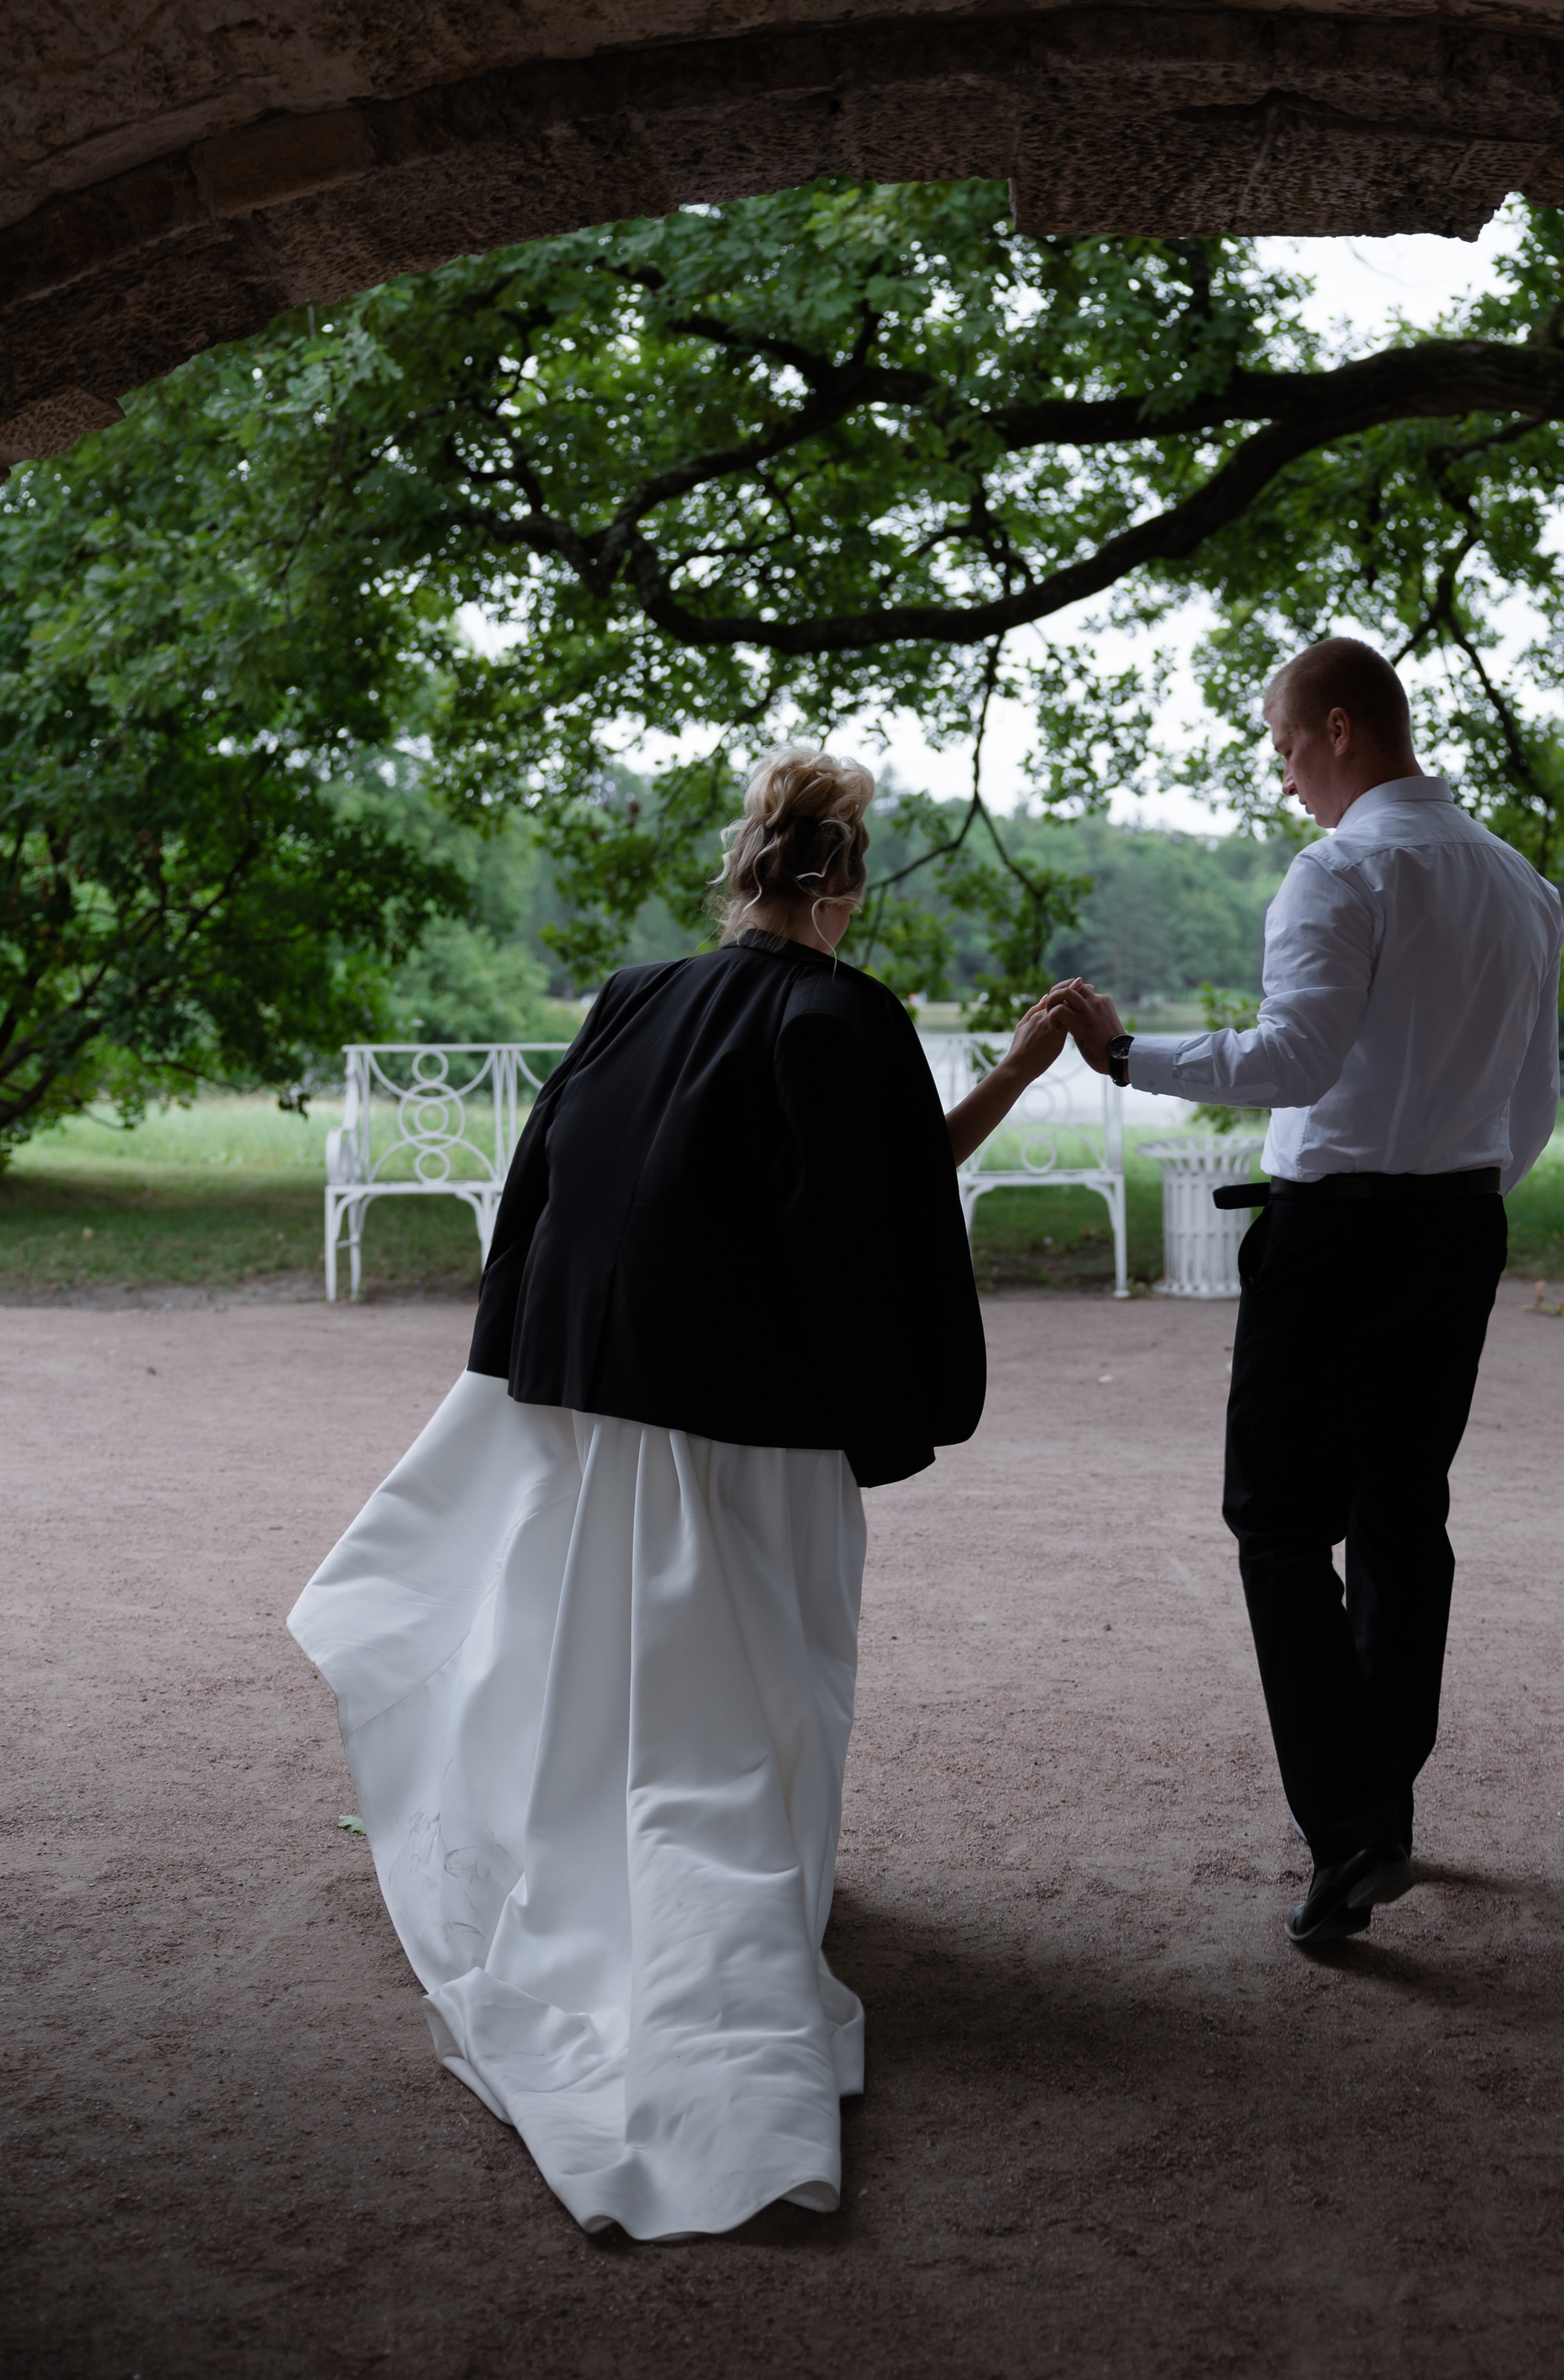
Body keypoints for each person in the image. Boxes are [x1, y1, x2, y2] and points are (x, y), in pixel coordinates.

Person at [289, 748, 1066, 2236]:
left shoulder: (635, 996)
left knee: (631, 1682)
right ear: (841, 882)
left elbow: (547, 1193)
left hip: (606, 1412)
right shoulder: (846, 1020)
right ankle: (724, 1966)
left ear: (750, 864)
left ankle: (645, 1891)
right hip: (755, 1432)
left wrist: (523, 1362)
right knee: (758, 1694)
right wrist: (889, 1407)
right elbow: (880, 1225)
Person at [1056, 638, 1563, 1946]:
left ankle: (1348, 1832)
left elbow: (1291, 1060)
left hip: (1338, 1236)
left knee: (1279, 1524)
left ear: (1341, 727)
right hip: (1460, 1229)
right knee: (1404, 1512)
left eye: (1284, 746)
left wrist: (1123, 1055)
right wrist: (1457, 1190)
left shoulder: (1341, 871)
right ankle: (1385, 1806)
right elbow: (1534, 1103)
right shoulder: (1522, 884)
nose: (1281, 776)